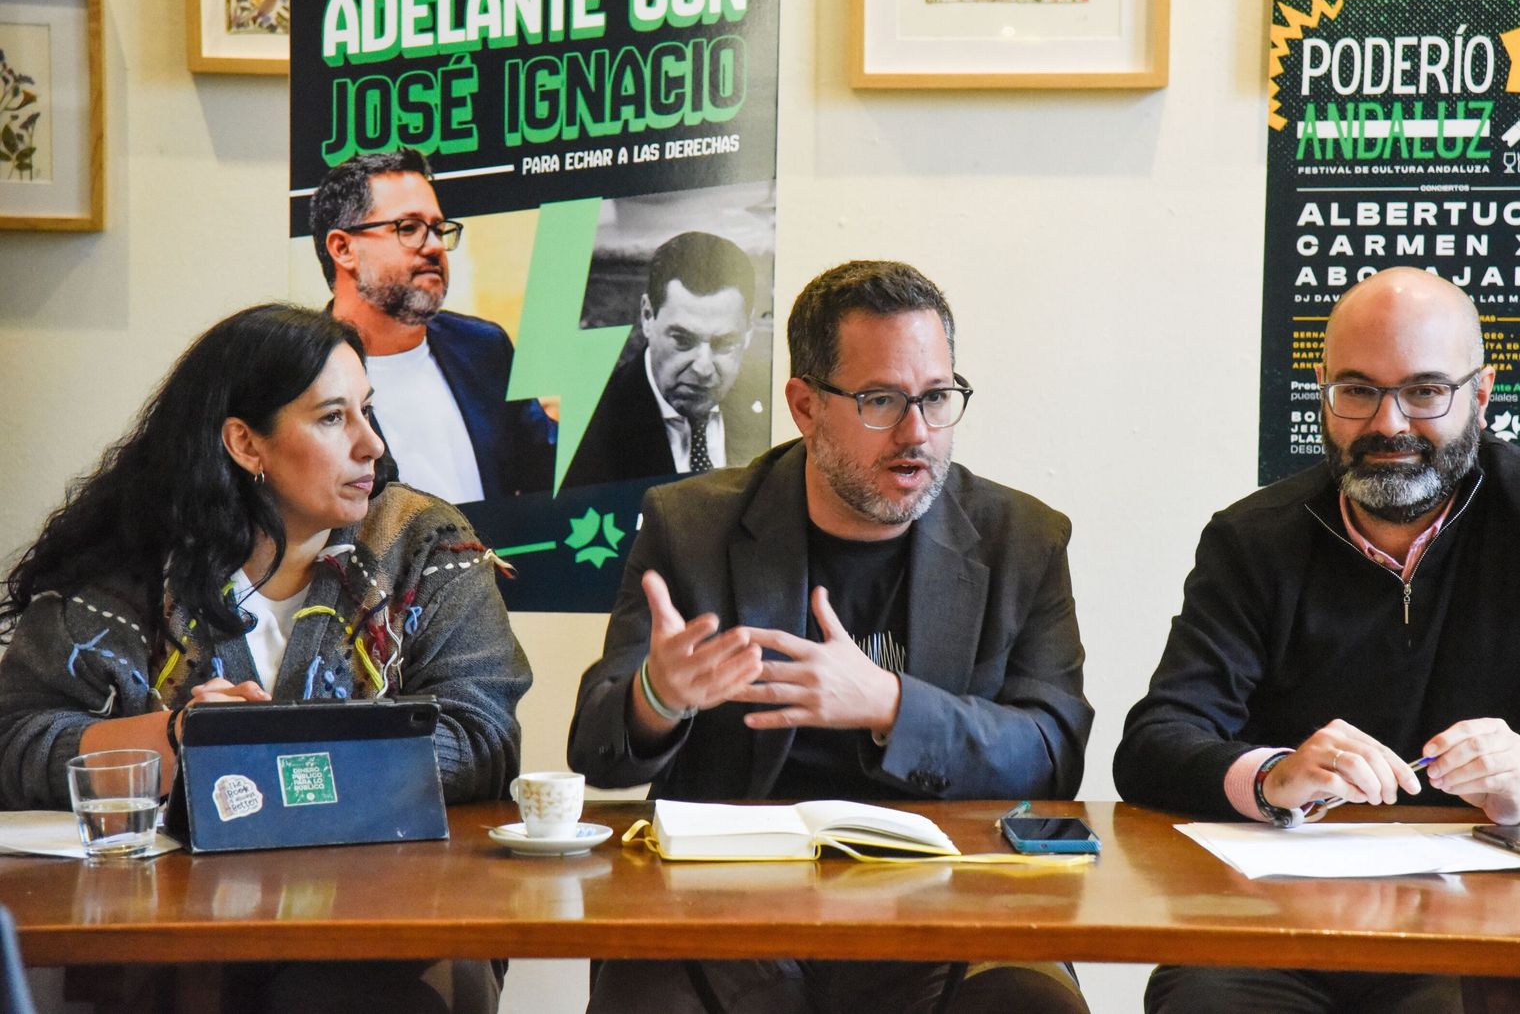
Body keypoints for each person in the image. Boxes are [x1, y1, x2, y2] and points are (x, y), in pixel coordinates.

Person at [568, 260, 1094, 1013]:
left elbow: (1053, 753)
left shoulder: (1022, 539)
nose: (918, 434)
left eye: (937, 397)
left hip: (952, 914)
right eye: (881, 400)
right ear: (805, 406)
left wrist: (889, 705)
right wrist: (659, 694)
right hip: (732, 915)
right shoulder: (692, 527)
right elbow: (596, 749)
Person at [0, 304, 531, 1013]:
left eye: (367, 412)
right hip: (162, 933)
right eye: (333, 418)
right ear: (246, 443)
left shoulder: (423, 547)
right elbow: (15, 741)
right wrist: (175, 738)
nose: (372, 444)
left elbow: (481, 737)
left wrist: (252, 752)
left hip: (384, 920)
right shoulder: (127, 569)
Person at [1114, 266, 1520, 1012]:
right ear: (1323, 389)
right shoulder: (1252, 539)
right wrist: (1276, 775)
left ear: (1481, 391)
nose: (1389, 425)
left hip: (1495, 931)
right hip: (1280, 929)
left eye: (1425, 391)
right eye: (1358, 390)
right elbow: (1154, 742)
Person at [312, 149, 555, 503]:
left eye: (439, 229)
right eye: (409, 228)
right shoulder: (306, 374)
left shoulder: (483, 347)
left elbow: (549, 469)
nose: (435, 246)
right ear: (343, 248)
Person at [563, 231, 758, 488]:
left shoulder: (775, 399)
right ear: (647, 316)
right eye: (682, 340)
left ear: (749, 330)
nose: (703, 367)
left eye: (723, 344)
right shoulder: (588, 428)